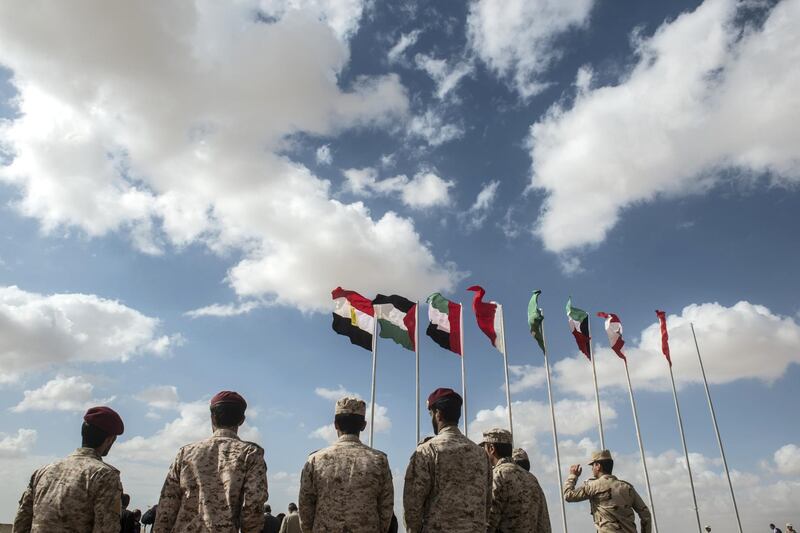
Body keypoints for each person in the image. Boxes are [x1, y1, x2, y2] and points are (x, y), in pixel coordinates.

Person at [153, 390, 268, 533]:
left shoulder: (186, 453)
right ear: (242, 420)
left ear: (213, 417)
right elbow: (254, 506)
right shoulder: (250, 454)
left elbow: (166, 507)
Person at [12, 406, 125, 533]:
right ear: (110, 439)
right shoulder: (104, 475)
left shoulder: (43, 472)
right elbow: (106, 528)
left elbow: (21, 522)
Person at [299, 396, 393, 532]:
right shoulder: (379, 460)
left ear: (335, 424)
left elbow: (305, 508)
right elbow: (386, 509)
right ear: (363, 425)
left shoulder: (315, 460)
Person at [403, 388, 492, 533]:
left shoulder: (427, 451)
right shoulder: (482, 455)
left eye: (431, 413)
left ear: (438, 414)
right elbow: (487, 504)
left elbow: (413, 507)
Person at [564, 450, 651, 533]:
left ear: (598, 466)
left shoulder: (593, 486)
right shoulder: (627, 487)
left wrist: (573, 476)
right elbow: (645, 514)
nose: (592, 469)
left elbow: (568, 495)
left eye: (593, 465)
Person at [482, 428, 551, 533]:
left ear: (491, 448)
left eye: (484, 448)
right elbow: (544, 523)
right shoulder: (532, 479)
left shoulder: (497, 475)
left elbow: (488, 522)